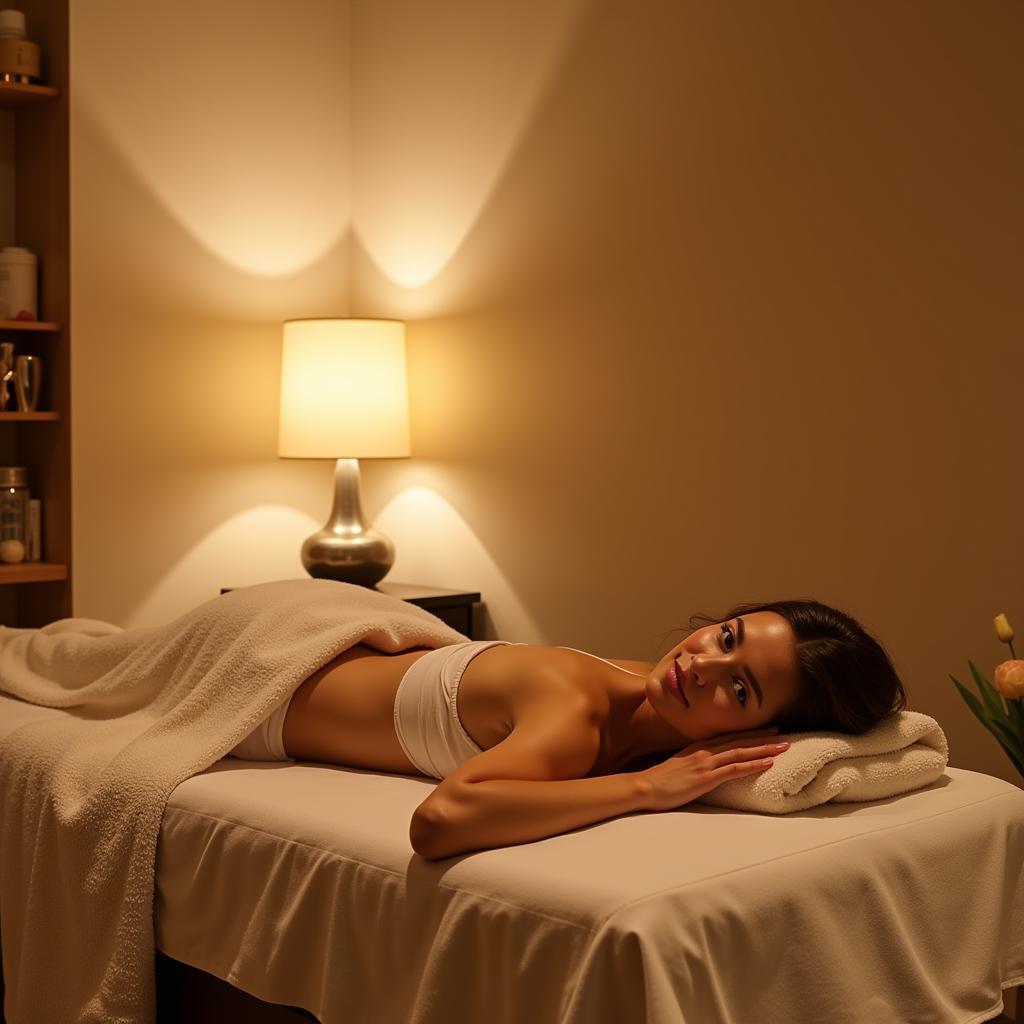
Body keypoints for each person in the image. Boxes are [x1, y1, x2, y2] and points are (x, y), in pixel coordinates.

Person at [259, 598, 907, 860]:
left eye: (738, 687)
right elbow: (438, 822)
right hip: (271, 669)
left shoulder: (647, 702)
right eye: (725, 636)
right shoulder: (574, 712)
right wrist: (646, 790)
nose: (699, 664)